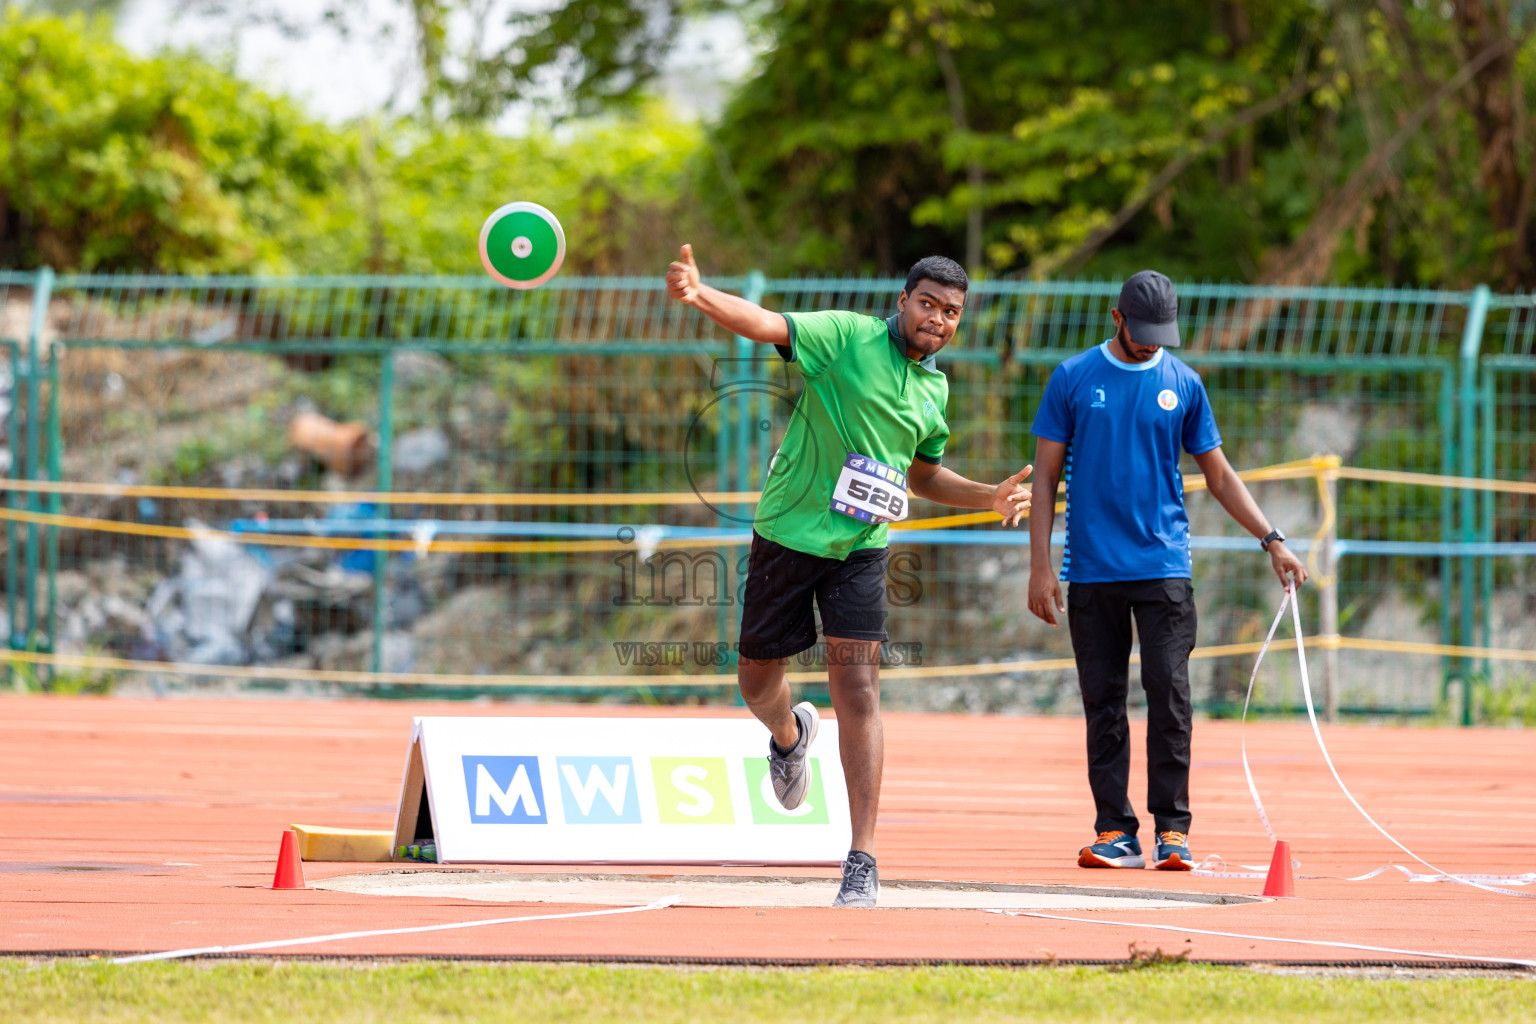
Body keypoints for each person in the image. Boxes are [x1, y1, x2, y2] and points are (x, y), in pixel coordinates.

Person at [665, 245, 1032, 906]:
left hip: (861, 548)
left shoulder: (934, 388)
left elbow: (921, 474)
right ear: (903, 301)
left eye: (951, 312)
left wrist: (988, 496)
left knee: (858, 687)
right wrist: (701, 296)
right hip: (788, 533)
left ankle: (861, 859)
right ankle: (788, 735)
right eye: (928, 304)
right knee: (756, 681)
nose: (938, 319)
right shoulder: (846, 337)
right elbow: (766, 323)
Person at [1025, 269, 1307, 871]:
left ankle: (1172, 830)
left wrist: (1272, 539)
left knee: (1169, 695)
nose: (1152, 343)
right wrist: (1040, 566)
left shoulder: (1184, 383)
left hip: (1163, 568)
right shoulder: (1073, 378)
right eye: (1142, 331)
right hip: (1093, 570)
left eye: (1162, 333)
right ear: (1116, 318)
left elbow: (1221, 476)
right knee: (1103, 701)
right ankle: (1114, 830)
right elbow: (1045, 478)